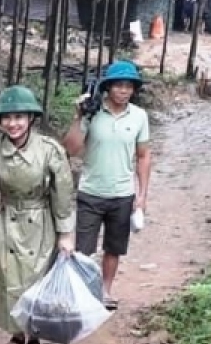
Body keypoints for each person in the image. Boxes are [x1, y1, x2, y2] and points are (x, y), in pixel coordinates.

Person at [0, 85, 76, 344]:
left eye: (19, 117)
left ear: (30, 118)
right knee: (8, 281)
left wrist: (66, 233)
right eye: (6, 118)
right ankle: (17, 337)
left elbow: (63, 192)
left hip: (40, 221)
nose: (13, 124)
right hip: (5, 220)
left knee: (37, 281)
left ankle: (37, 337)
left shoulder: (49, 149)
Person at [64, 60, 151, 311]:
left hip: (123, 193)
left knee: (114, 247)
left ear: (134, 90)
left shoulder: (139, 117)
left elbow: (143, 156)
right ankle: (81, 292)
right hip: (90, 191)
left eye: (128, 86)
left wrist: (142, 195)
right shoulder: (92, 112)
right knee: (83, 249)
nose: (123, 91)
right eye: (118, 86)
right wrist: (79, 117)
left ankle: (105, 291)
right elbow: (70, 148)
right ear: (108, 87)